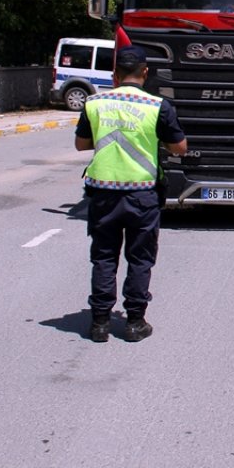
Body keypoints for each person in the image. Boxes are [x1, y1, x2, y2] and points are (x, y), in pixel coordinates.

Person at [75, 45, 187, 343]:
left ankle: (99, 323)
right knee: (140, 258)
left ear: (115, 74)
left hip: (103, 194)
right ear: (145, 72)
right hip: (143, 196)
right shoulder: (158, 107)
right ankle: (135, 322)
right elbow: (179, 147)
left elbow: (81, 144)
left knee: (104, 257)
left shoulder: (94, 104)